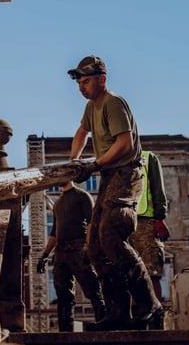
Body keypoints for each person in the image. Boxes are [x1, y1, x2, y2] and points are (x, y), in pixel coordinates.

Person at [67, 55, 164, 330]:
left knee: (111, 233)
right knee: (96, 247)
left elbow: (124, 143)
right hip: (110, 176)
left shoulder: (113, 103)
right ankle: (118, 312)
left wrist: (95, 163)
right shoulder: (91, 107)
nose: (81, 87)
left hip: (126, 173)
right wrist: (74, 161)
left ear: (101, 79)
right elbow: (81, 132)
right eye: (79, 82)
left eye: (85, 81)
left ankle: (150, 305)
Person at [37, 180, 106, 332]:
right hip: (61, 252)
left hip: (78, 247)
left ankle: (104, 323)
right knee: (63, 294)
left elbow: (91, 223)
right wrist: (45, 255)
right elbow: (54, 232)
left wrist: (88, 247)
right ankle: (65, 331)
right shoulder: (57, 203)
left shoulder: (83, 196)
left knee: (92, 288)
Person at [128, 150, 170, 299]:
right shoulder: (115, 158)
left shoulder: (147, 158)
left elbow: (158, 188)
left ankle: (155, 317)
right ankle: (136, 319)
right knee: (130, 275)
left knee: (151, 272)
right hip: (125, 224)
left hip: (146, 222)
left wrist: (159, 217)